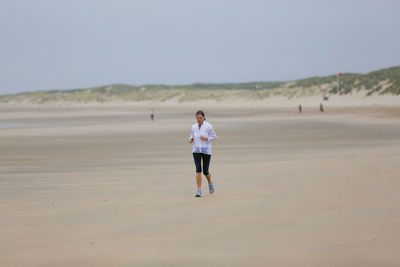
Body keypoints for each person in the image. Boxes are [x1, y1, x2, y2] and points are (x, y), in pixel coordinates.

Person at [189, 110, 217, 197]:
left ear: (204, 118)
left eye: (200, 118)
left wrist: (207, 139)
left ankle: (210, 183)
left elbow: (214, 137)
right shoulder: (194, 126)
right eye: (197, 118)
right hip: (196, 150)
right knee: (198, 170)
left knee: (205, 171)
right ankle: (199, 190)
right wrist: (191, 139)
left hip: (206, 151)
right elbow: (192, 135)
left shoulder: (208, 126)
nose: (198, 119)